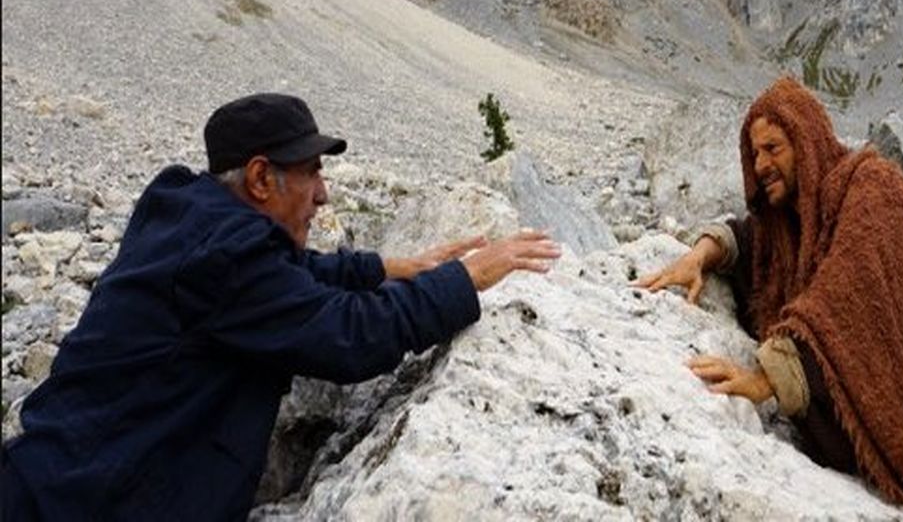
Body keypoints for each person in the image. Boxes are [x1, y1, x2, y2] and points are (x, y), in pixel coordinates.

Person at [2, 93, 560, 521]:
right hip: (83, 503)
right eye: (312, 172)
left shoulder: (194, 219)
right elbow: (350, 337)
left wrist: (386, 266)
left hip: (54, 477)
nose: (324, 194)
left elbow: (288, 277)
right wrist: (468, 279)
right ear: (261, 178)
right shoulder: (225, 258)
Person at [635, 76, 903, 522]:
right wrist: (702, 253)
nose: (761, 164)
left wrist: (766, 381)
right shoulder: (790, 223)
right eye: (754, 152)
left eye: (774, 148)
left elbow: (849, 295)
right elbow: (752, 241)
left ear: (805, 140)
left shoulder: (872, 186)